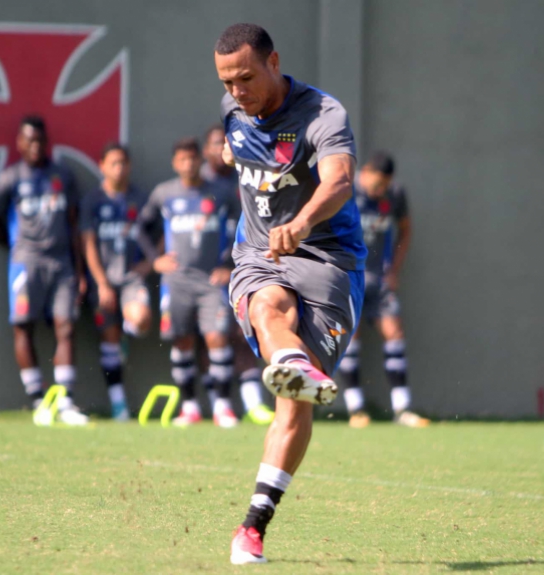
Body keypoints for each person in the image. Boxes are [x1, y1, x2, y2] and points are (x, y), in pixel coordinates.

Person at [214, 24, 366, 564]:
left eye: (247, 77)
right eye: (227, 81)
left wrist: (300, 221)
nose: (238, 90)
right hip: (259, 256)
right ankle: (291, 359)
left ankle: (258, 518)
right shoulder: (234, 113)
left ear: (274, 61)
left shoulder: (323, 114)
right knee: (266, 306)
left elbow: (340, 181)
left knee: (294, 406)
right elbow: (235, 146)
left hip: (328, 259)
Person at [0, 115, 88, 426]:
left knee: (65, 326)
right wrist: (18, 246)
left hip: (62, 264)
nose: (35, 146)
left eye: (40, 140)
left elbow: (73, 224)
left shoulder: (62, 175)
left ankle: (65, 400)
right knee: (23, 326)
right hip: (25, 264)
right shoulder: (10, 178)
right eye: (29, 140)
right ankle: (38, 400)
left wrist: (79, 270)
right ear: (19, 143)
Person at [140, 137, 240, 428]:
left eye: (193, 158)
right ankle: (190, 407)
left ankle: (222, 406)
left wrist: (229, 265)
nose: (188, 164)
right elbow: (141, 229)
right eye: (182, 159)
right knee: (182, 341)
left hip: (212, 281)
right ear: (175, 163)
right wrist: (154, 260)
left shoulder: (221, 193)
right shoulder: (164, 193)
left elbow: (243, 229)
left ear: (201, 160)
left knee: (216, 338)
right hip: (177, 282)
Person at [337, 152, 430, 428]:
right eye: (377, 185)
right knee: (351, 338)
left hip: (380, 279)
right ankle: (356, 409)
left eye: (384, 186)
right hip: (350, 277)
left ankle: (402, 408)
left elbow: (405, 230)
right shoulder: (345, 191)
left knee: (394, 332)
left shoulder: (396, 195)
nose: (380, 191)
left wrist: (394, 270)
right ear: (364, 173)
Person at [202, 124, 275, 426]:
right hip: (202, 279)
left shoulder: (246, 177)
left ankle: (251, 402)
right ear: (207, 149)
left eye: (227, 142)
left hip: (244, 266)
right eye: (217, 143)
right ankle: (214, 403)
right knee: (210, 335)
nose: (223, 149)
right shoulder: (196, 185)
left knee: (246, 331)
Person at [80, 142, 154, 421]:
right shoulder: (93, 201)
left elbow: (161, 232)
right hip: (104, 281)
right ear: (102, 166)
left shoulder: (140, 199)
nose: (119, 168)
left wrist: (149, 263)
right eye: (113, 163)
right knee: (108, 340)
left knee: (142, 319)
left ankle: (126, 329)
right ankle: (119, 403)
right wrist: (100, 283)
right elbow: (87, 243)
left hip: (132, 279)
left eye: (123, 162)